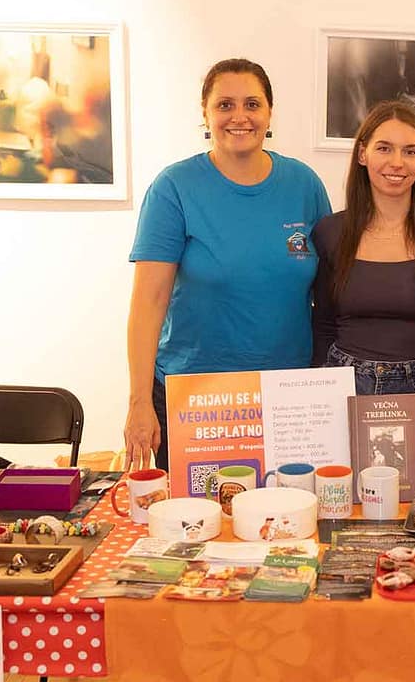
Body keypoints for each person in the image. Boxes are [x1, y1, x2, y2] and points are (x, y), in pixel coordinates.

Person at [125, 59, 331, 469]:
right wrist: (139, 401)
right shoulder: (174, 188)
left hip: (288, 398)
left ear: (269, 113)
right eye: (225, 105)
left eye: (252, 104)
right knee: (195, 510)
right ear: (205, 114)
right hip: (196, 400)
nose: (240, 116)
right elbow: (148, 304)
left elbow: (330, 292)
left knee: (288, 509)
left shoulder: (304, 184)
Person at [312, 101, 415, 475]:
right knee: (341, 507)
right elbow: (322, 327)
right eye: (384, 148)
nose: (397, 162)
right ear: (362, 154)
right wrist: (315, 404)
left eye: (409, 151)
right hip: (343, 392)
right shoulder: (330, 232)